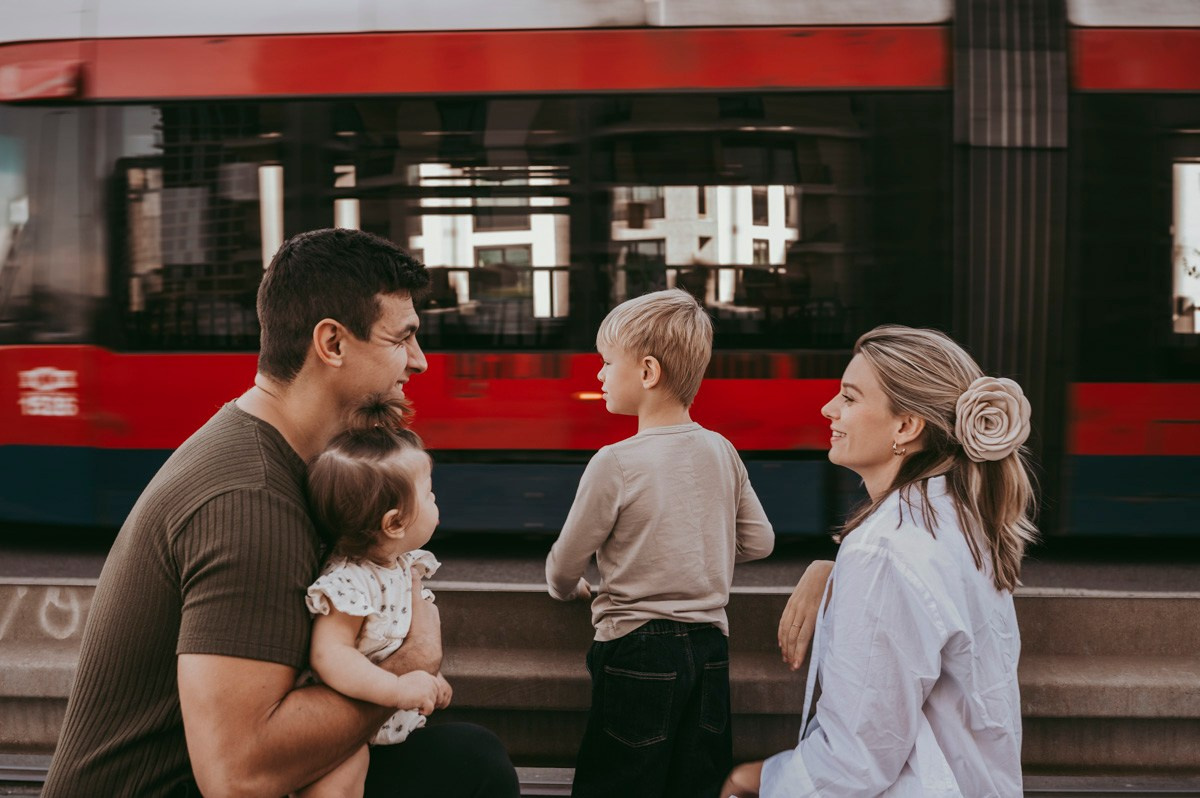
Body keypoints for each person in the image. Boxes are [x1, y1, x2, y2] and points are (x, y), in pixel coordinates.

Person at [43, 228, 519, 798]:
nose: (419, 361)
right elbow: (239, 778)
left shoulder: (279, 454)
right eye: (403, 338)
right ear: (333, 344)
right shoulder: (250, 501)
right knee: (469, 769)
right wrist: (411, 663)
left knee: (464, 759)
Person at [721, 324, 1035, 798]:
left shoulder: (885, 551)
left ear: (906, 427)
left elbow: (856, 762)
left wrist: (752, 779)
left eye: (849, 398)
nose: (829, 409)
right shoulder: (963, 522)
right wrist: (829, 571)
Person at [545, 288, 776, 798]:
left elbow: (565, 564)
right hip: (710, 647)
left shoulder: (615, 461)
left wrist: (570, 591)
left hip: (636, 649)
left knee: (619, 781)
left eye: (607, 363)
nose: (599, 375)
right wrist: (698, 546)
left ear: (648, 372)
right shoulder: (721, 449)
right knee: (694, 783)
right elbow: (760, 541)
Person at [298, 396, 452, 798]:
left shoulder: (400, 567)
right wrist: (398, 689)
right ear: (395, 523)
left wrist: (429, 678)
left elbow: (391, 639)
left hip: (375, 725)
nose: (437, 503)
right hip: (342, 732)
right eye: (430, 495)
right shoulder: (350, 582)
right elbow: (330, 656)